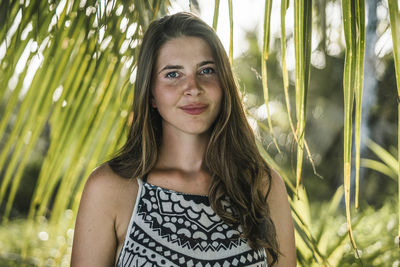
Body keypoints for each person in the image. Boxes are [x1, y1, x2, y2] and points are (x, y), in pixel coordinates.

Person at [71, 12, 295, 267]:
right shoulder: (111, 189)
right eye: (173, 74)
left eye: (207, 70)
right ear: (151, 93)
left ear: (224, 85)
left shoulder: (262, 187)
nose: (193, 87)